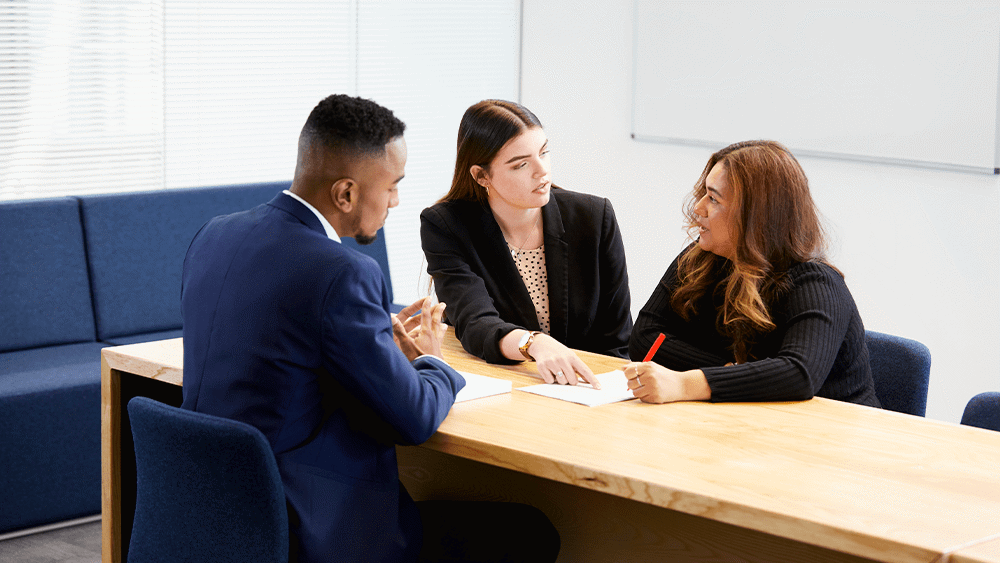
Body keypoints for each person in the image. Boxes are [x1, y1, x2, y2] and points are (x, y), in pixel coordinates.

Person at [180, 94, 559, 563]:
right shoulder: (343, 272)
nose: (396, 201)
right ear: (346, 194)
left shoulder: (214, 234)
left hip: (215, 516)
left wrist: (371, 342)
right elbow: (414, 418)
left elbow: (283, 346)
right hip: (314, 531)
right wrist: (432, 361)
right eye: (392, 186)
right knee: (530, 532)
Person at [625, 140, 881, 407]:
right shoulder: (700, 258)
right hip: (748, 421)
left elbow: (798, 374)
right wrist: (731, 372)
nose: (698, 208)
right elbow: (644, 338)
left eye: (713, 198)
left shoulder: (817, 283)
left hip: (833, 429)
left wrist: (687, 383)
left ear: (755, 216)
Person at [420, 100, 632, 388]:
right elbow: (475, 323)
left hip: (589, 388)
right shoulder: (446, 225)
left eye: (544, 153)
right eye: (521, 164)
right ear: (481, 176)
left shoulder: (593, 217)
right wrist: (533, 342)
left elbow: (617, 340)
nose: (541, 171)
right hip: (505, 383)